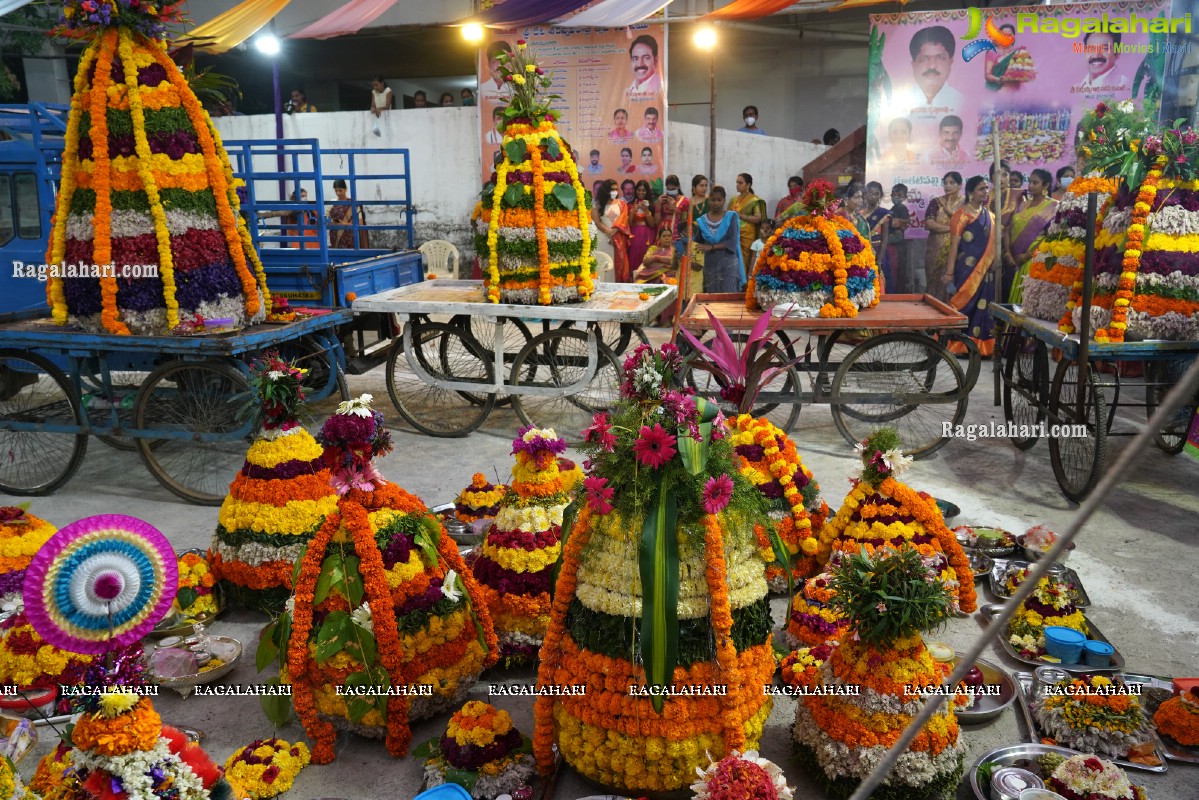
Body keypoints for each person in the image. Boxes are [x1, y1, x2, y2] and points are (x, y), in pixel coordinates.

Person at [945, 175, 998, 357]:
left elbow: (994, 245)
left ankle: (981, 347)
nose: (985, 192)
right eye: (981, 189)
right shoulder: (961, 215)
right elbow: (954, 246)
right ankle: (956, 345)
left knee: (982, 308)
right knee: (961, 304)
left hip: (985, 271)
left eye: (986, 189)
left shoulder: (990, 216)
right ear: (970, 192)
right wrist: (950, 273)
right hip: (965, 271)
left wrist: (994, 261)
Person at [1006, 168, 1057, 303]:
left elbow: (1050, 237)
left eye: (1035, 183)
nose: (1030, 186)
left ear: (1045, 186)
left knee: (1025, 296)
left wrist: (1027, 255)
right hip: (1012, 258)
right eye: (1029, 182)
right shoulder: (1021, 204)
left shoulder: (1053, 206)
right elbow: (1008, 229)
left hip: (1033, 258)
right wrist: (1007, 253)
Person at [694, 185, 743, 292]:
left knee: (728, 296)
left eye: (719, 200)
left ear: (724, 200)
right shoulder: (702, 220)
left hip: (728, 263)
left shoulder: (731, 217)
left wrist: (711, 247)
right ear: (709, 201)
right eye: (713, 200)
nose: (716, 203)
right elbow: (697, 241)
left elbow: (732, 241)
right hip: (710, 264)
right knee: (711, 298)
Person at [923, 171, 963, 300]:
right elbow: (929, 224)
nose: (947, 186)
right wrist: (952, 229)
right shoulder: (936, 202)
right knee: (935, 282)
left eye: (952, 183)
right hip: (936, 252)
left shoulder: (966, 203)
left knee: (955, 282)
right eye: (945, 183)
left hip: (958, 251)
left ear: (959, 185)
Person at [909, 25, 962, 108]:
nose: (932, 66)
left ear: (950, 62)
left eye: (940, 58)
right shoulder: (897, 106)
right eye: (924, 59)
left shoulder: (962, 103)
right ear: (913, 65)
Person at [594, 179, 631, 283]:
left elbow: (623, 221)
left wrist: (613, 233)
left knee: (617, 265)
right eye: (612, 189)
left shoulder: (622, 204)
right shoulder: (597, 204)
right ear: (606, 191)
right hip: (602, 239)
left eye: (616, 189)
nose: (615, 191)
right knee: (603, 264)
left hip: (617, 239)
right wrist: (608, 232)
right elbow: (597, 221)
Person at [1073, 32, 1129, 96]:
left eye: (1104, 49)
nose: (1096, 55)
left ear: (1117, 53)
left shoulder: (1127, 87)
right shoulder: (1076, 89)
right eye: (1091, 49)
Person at [730, 173, 766, 270]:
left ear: (748, 185)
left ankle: (745, 283)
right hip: (734, 233)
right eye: (737, 182)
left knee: (745, 260)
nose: (737, 185)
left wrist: (742, 216)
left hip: (747, 235)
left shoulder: (754, 200)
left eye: (740, 183)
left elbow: (758, 218)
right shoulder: (734, 199)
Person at [884, 184, 912, 292]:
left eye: (899, 195)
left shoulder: (901, 207)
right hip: (894, 244)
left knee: (897, 271)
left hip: (898, 244)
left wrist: (896, 223)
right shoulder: (893, 208)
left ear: (905, 197)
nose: (895, 197)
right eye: (893, 194)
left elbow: (903, 222)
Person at [328, 179, 368, 249]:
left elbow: (360, 223)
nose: (338, 193)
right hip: (335, 239)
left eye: (340, 190)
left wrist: (343, 224)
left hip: (351, 240)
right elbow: (327, 222)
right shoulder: (331, 204)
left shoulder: (353, 204)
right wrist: (343, 224)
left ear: (345, 189)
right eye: (336, 190)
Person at [627, 180, 658, 270]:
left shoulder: (652, 205)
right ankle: (633, 279)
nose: (641, 192)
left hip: (647, 234)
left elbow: (652, 225)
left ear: (647, 191)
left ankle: (646, 280)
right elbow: (629, 223)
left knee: (646, 254)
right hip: (634, 234)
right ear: (635, 191)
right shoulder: (630, 205)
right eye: (639, 190)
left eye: (643, 190)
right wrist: (633, 211)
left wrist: (646, 211)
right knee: (633, 255)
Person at [863, 182, 891, 279]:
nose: (873, 196)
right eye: (870, 193)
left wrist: (879, 260)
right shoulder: (858, 214)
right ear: (865, 194)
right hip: (861, 252)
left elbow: (885, 238)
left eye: (876, 194)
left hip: (878, 252)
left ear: (880, 196)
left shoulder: (883, 214)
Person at [984, 24, 1023, 92]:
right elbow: (987, 75)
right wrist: (999, 79)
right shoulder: (993, 52)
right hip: (993, 90)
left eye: (1010, 34)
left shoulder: (1018, 52)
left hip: (1012, 91)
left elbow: (1022, 72)